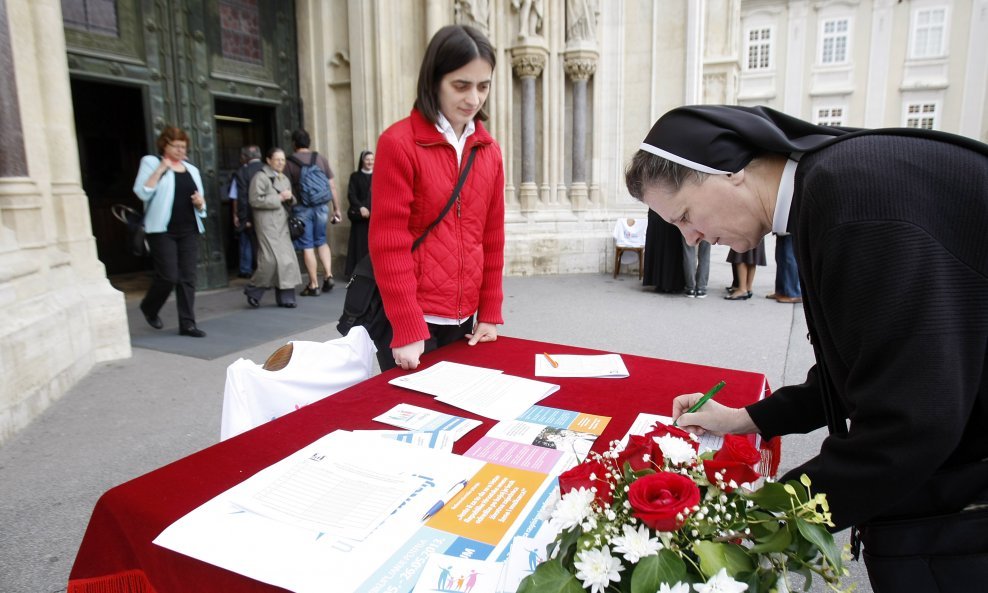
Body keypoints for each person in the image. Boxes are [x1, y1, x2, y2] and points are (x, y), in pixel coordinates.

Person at [625, 104, 988, 592]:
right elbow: (863, 364)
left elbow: (910, 421)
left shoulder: (851, 201)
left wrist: (760, 517)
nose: (691, 239)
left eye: (685, 216)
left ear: (728, 173)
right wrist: (747, 419)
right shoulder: (831, 188)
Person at [369, 24, 505, 372]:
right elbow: (389, 242)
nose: (473, 98)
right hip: (414, 319)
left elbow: (491, 238)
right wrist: (406, 325)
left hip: (465, 319)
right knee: (407, 421)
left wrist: (489, 312)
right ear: (434, 81)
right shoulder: (398, 143)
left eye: (483, 86)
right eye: (461, 85)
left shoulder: (489, 151)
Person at [132, 126, 208, 337]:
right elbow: (142, 193)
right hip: (162, 230)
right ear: (164, 145)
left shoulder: (191, 169)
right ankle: (150, 307)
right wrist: (160, 170)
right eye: (176, 146)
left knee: (188, 278)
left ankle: (188, 323)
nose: (180, 150)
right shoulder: (151, 162)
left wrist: (201, 204)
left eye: (183, 147)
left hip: (189, 229)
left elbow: (202, 205)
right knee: (168, 276)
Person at [284, 129, 341, 296]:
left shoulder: (289, 162)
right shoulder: (320, 158)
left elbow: (285, 187)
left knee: (307, 245)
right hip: (322, 206)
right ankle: (328, 275)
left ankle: (313, 284)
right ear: (308, 142)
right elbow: (332, 186)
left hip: (302, 208)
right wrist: (336, 208)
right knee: (322, 241)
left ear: (294, 143)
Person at [243, 148, 302, 309]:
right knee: (270, 260)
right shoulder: (260, 177)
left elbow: (290, 199)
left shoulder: (284, 178)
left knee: (287, 259)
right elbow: (254, 200)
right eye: (277, 160)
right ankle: (254, 290)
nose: (281, 163)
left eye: (283, 160)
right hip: (266, 223)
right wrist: (279, 197)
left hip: (282, 223)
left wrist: (290, 198)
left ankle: (287, 297)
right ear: (269, 160)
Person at [229, 145, 263, 279]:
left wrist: (239, 216)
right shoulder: (268, 169)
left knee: (246, 241)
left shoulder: (241, 173)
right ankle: (265, 268)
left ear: (245, 157)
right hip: (268, 213)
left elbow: (238, 197)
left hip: (249, 213)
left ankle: (245, 269)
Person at [345, 150, 374, 277]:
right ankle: (357, 272)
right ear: (362, 161)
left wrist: (371, 209)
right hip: (360, 216)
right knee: (359, 244)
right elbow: (351, 194)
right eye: (367, 159)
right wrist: (361, 207)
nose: (370, 162)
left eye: (372, 159)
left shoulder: (378, 175)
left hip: (373, 215)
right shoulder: (355, 176)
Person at [642, 208, 685, 293]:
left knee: (660, 248)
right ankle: (671, 283)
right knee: (670, 249)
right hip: (670, 214)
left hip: (660, 214)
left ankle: (660, 281)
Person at [767, 232, 802, 303]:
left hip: (790, 226)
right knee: (781, 257)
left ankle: (794, 293)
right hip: (782, 227)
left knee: (789, 257)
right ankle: (781, 291)